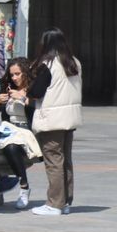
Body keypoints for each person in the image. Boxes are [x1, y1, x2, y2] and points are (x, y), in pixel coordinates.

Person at [28, 27, 81, 217]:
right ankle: (66, 201)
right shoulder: (74, 63)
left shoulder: (48, 65)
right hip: (69, 119)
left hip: (51, 120)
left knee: (53, 161)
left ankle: (54, 203)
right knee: (65, 160)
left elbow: (35, 92)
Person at [0, 57, 38, 210]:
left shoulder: (34, 89)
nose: (14, 78)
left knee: (12, 147)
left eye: (18, 74)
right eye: (12, 75)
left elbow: (39, 109)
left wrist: (23, 98)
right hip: (8, 130)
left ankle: (24, 186)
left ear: (25, 72)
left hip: (27, 132)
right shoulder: (7, 89)